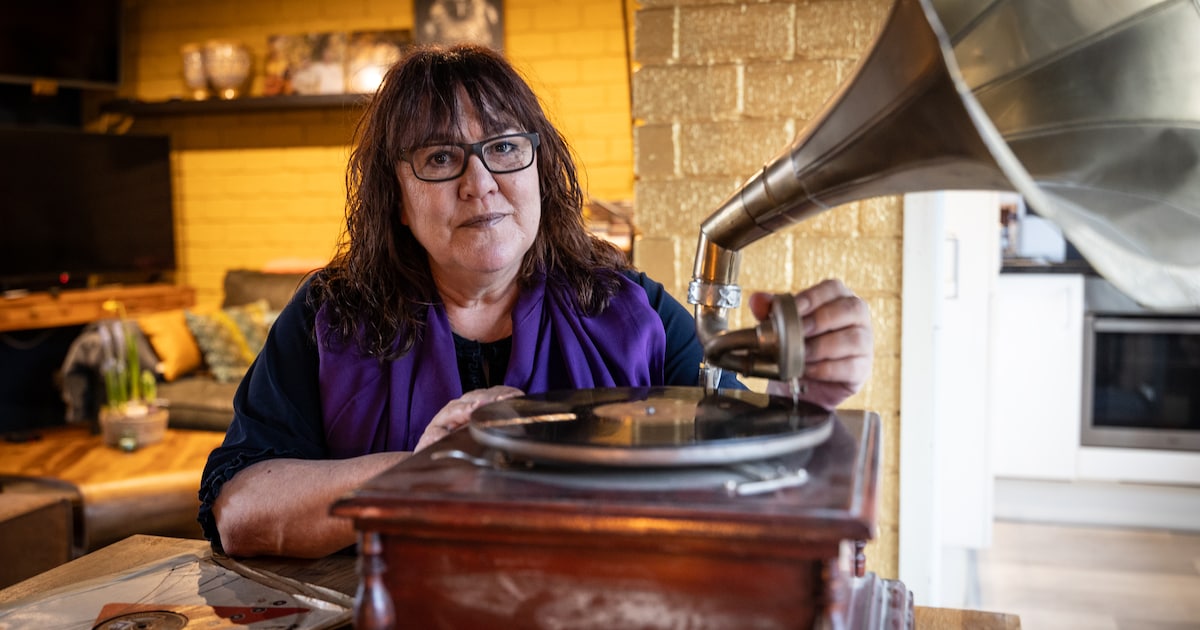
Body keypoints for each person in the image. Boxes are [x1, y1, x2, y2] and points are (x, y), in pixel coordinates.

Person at [199, 44, 875, 559]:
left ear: (540, 169)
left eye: (504, 148)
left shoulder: (629, 306)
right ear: (395, 198)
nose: (480, 183)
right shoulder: (330, 313)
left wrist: (806, 396)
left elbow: (736, 468)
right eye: (440, 159)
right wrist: (420, 473)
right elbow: (241, 508)